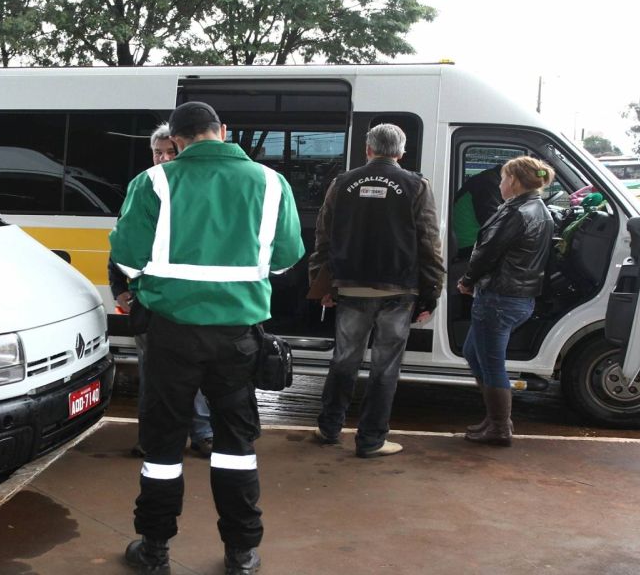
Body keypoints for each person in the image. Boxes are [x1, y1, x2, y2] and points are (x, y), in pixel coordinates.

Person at [111, 101, 304, 575]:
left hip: (171, 336)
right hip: (238, 337)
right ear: (223, 130)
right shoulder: (271, 183)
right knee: (235, 443)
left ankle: (154, 549)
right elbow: (285, 260)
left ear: (174, 140)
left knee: (162, 446)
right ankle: (242, 552)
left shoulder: (153, 182)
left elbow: (128, 259)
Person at [310, 123, 444, 458]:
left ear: (368, 150)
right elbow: (428, 241)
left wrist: (323, 283)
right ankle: (370, 441)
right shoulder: (416, 185)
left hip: (351, 287)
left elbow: (324, 236)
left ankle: (329, 428)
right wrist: (432, 291)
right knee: (385, 367)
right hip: (398, 289)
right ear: (401, 152)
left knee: (343, 360)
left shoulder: (342, 183)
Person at [111, 124, 214, 459]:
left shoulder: (196, 189)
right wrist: (119, 289)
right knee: (153, 374)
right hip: (151, 301)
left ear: (183, 149)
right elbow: (121, 244)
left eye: (171, 151)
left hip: (191, 302)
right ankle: (153, 437)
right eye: (158, 153)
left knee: (194, 371)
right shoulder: (142, 187)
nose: (164, 158)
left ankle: (202, 432)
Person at [457, 156, 555, 447]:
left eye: (502, 179)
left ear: (513, 181)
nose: (499, 184)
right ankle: (494, 420)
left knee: (491, 362)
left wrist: (466, 281)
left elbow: (487, 252)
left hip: (499, 297)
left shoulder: (516, 213)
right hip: (515, 297)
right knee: (473, 352)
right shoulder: (536, 209)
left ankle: (500, 427)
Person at [452, 164, 504, 256]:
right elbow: (493, 224)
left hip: (475, 244)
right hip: (469, 247)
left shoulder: (490, 180)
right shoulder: (487, 185)